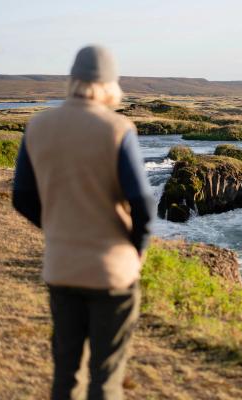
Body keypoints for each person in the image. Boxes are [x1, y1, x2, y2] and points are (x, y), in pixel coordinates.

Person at [12, 45, 155, 399]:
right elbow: (142, 203)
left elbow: (22, 197)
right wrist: (135, 250)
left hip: (61, 268)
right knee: (105, 380)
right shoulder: (117, 128)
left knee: (66, 375)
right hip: (112, 273)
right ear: (110, 85)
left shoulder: (38, 126)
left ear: (72, 81)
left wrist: (58, 230)